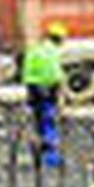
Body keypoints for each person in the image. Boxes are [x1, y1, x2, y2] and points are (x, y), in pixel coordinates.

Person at [23, 22, 68, 170]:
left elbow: (26, 74)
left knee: (38, 123)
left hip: (33, 90)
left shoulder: (34, 50)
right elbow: (56, 75)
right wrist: (61, 97)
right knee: (50, 122)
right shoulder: (53, 52)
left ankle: (37, 149)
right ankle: (51, 159)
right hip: (48, 90)